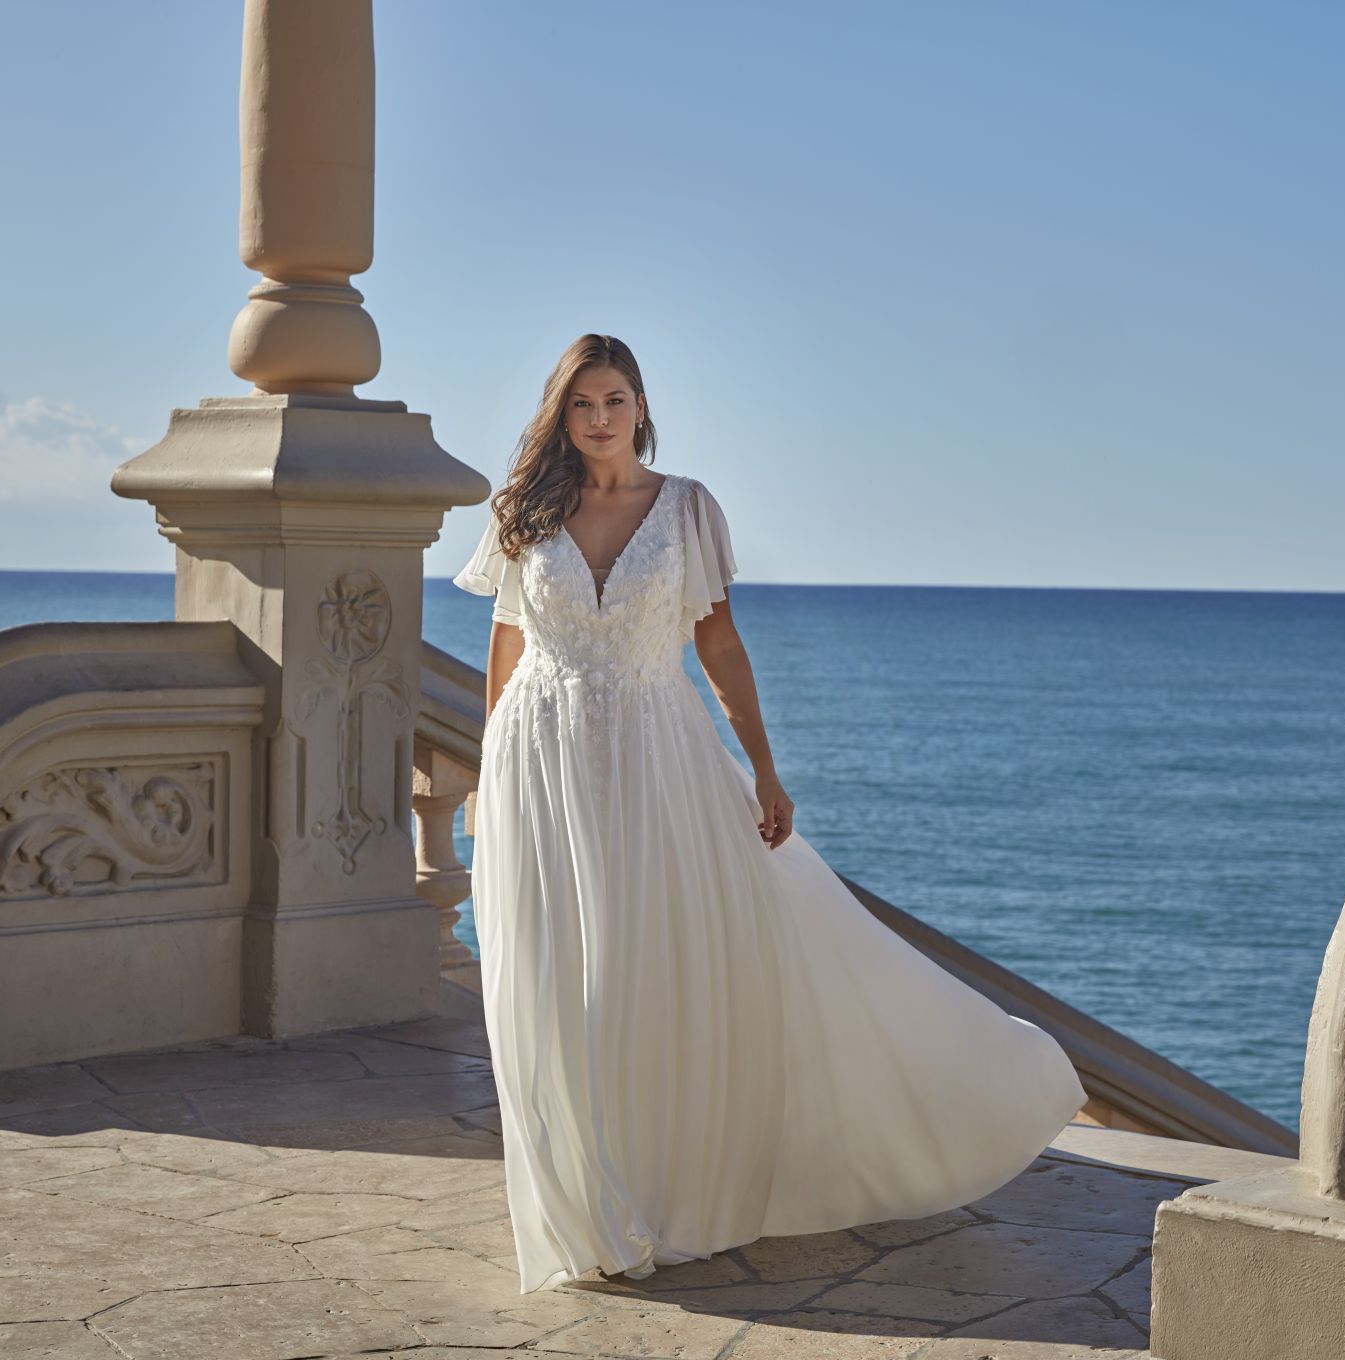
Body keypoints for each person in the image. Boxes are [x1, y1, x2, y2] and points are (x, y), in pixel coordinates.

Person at [453, 332, 1087, 1294]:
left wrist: (764, 767)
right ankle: (585, 1203)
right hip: (540, 763)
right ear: (559, 413)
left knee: (650, 966)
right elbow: (506, 648)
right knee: (554, 979)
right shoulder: (523, 514)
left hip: (658, 757)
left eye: (614, 400)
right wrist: (483, 772)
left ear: (640, 405)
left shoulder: (687, 510)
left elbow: (720, 645)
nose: (598, 419)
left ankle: (663, 1187)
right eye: (581, 403)